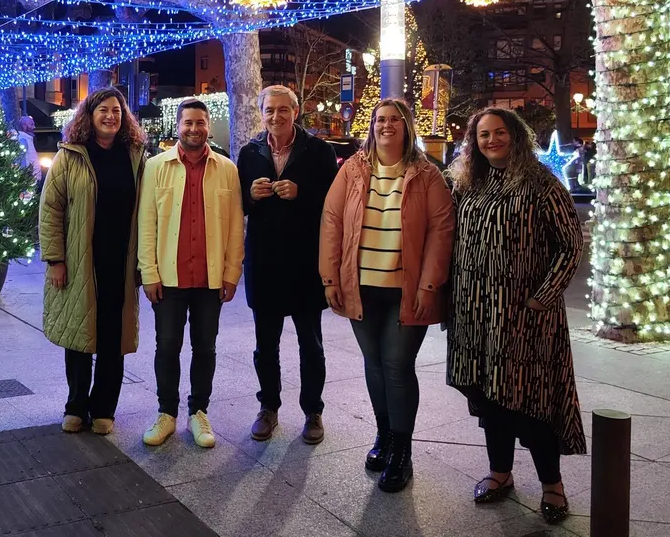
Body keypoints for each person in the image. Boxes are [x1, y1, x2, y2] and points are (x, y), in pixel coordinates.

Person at [446, 108, 585, 526]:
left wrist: (543, 297)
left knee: (531, 400)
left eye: (499, 132)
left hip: (524, 318)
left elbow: (570, 245)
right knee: (489, 397)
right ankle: (499, 473)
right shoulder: (468, 184)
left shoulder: (542, 184)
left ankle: (552, 485)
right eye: (483, 135)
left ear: (516, 136)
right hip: (474, 313)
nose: (491, 140)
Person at [319, 98, 453, 493]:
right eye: (380, 119)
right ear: (372, 125)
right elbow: (332, 221)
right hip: (360, 286)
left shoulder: (427, 175)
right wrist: (330, 278)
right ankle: (385, 436)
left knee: (396, 365)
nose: (386, 125)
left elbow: (441, 233)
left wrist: (430, 286)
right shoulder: (354, 171)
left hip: (406, 290)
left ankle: (403, 451)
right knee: (374, 363)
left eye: (395, 119)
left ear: (407, 127)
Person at [39, 88, 147, 435]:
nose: (110, 116)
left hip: (121, 261)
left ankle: (104, 409)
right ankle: (75, 406)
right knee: (79, 335)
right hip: (80, 259)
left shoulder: (135, 156)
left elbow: (149, 209)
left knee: (113, 338)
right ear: (89, 114)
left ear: (124, 116)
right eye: (103, 110)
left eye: (117, 110)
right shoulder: (70, 157)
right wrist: (55, 258)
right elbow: (50, 210)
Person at [137, 99, 244, 449]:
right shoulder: (156, 166)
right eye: (187, 123)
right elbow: (147, 224)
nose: (194, 129)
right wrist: (148, 272)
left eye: (200, 122)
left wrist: (232, 273)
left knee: (205, 348)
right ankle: (166, 413)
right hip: (169, 278)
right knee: (166, 346)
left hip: (209, 278)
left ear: (208, 126)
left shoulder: (227, 169)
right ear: (178, 126)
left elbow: (233, 228)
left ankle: (199, 411)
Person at [237, 86, 338, 445]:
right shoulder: (249, 153)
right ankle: (268, 408)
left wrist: (302, 194)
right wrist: (250, 196)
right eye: (269, 110)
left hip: (305, 264)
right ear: (261, 113)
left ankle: (313, 411)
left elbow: (333, 207)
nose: (276, 116)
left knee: (311, 344)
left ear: (295, 111)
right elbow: (238, 207)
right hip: (264, 262)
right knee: (266, 345)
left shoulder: (320, 151)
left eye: (283, 109)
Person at [16, 116, 43, 186]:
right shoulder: (23, 140)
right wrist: (28, 177)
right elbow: (22, 160)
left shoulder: (27, 139)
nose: (34, 127)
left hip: (33, 177)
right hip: (31, 179)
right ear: (24, 126)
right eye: (31, 124)